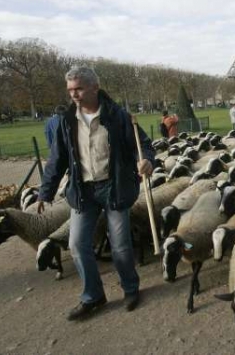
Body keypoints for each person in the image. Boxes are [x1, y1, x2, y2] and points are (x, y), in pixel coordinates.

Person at [37, 66, 155, 321]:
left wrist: (145, 160)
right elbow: (57, 159)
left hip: (114, 188)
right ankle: (93, 295)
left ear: (94, 87)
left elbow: (142, 145)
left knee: (121, 246)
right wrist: (45, 192)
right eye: (70, 90)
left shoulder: (118, 116)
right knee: (77, 244)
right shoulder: (66, 121)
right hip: (83, 191)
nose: (74, 95)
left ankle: (131, 289)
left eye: (78, 88)